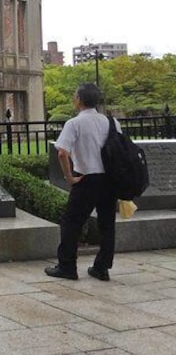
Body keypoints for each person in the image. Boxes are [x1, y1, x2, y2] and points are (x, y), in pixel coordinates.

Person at [45, 82, 118, 282]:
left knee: (72, 222)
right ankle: (102, 267)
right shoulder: (111, 122)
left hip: (86, 178)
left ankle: (67, 266)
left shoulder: (74, 123)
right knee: (107, 224)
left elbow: (62, 152)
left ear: (79, 100)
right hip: (109, 180)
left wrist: (69, 177)